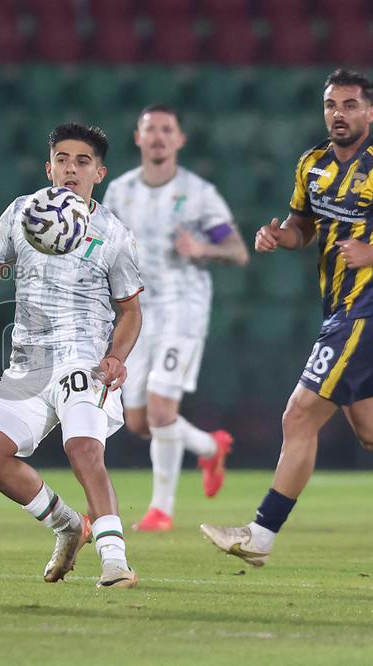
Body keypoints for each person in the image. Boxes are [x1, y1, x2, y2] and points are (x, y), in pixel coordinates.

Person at [0, 123, 144, 588]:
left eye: (81, 161)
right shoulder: (22, 212)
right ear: (48, 166)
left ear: (100, 172)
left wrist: (116, 356)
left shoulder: (114, 234)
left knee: (82, 448)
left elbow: (131, 310)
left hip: (86, 361)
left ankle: (115, 560)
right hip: (29, 362)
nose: (70, 168)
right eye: (62, 159)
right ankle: (69, 525)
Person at [202, 69, 373, 567]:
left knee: (299, 415)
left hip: (369, 308)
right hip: (340, 307)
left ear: (370, 112)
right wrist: (280, 237)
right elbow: (303, 225)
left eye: (349, 105)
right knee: (371, 431)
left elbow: (370, 245)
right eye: (331, 105)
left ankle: (260, 535)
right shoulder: (312, 163)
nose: (338, 114)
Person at [102, 105, 249, 532]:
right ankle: (208, 446)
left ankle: (160, 510)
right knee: (138, 421)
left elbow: (237, 250)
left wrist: (203, 250)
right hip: (137, 312)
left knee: (163, 410)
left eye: (167, 130)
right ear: (138, 138)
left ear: (180, 140)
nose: (159, 137)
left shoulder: (199, 194)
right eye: (151, 130)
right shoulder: (120, 192)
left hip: (183, 309)